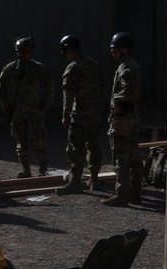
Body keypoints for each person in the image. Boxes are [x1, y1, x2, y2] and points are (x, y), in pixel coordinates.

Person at [0, 36, 54, 178]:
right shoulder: (10, 69)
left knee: (39, 141)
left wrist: (46, 105)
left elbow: (50, 87)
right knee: (21, 143)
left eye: (26, 51)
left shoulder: (39, 69)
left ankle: (42, 170)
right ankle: (26, 169)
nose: (22, 55)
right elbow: (0, 87)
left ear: (31, 51)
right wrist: (6, 106)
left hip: (35, 112)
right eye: (20, 52)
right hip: (18, 113)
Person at [56, 35, 104, 195]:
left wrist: (66, 115)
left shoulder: (73, 68)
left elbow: (68, 95)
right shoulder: (93, 64)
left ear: (69, 50)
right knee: (93, 145)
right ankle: (94, 179)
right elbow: (101, 89)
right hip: (95, 114)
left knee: (75, 148)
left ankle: (75, 181)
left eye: (64, 52)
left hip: (80, 115)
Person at [103, 31, 144, 207]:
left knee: (121, 157)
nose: (112, 52)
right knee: (134, 155)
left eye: (114, 49)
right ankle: (135, 192)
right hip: (131, 118)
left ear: (124, 49)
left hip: (123, 119)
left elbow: (129, 91)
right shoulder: (129, 65)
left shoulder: (126, 68)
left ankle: (122, 194)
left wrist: (118, 103)